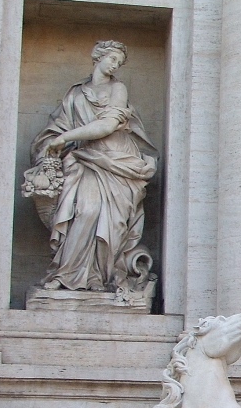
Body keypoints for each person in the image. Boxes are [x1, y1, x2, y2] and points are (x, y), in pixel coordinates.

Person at [30, 40, 157, 295]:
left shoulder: (118, 89)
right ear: (97, 57)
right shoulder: (75, 94)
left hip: (117, 161)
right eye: (112, 59)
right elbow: (56, 128)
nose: (115, 65)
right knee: (85, 212)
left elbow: (107, 126)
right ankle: (65, 274)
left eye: (119, 62)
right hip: (84, 159)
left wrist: (64, 139)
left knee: (112, 222)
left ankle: (99, 276)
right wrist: (53, 144)